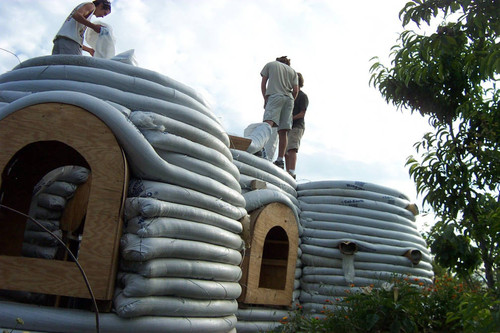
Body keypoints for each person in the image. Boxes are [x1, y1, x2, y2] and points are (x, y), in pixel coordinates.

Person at [260, 56, 299, 169]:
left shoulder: (271, 64)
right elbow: (296, 90)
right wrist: (291, 102)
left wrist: (265, 99)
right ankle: (280, 159)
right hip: (289, 99)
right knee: (283, 131)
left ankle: (261, 149)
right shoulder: (293, 72)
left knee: (268, 123)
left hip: (275, 95)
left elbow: (263, 83)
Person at [285, 72, 309, 179]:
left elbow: (302, 113)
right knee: (285, 151)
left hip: (297, 126)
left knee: (292, 149)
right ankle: (286, 173)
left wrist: (290, 118)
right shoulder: (289, 95)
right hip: (288, 126)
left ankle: (291, 172)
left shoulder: (302, 96)